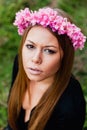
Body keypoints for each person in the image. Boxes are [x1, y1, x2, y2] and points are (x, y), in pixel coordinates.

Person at [7, 7, 86, 130]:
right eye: (30, 46)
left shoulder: (69, 106)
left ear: (65, 56)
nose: (35, 59)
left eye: (49, 51)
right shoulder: (20, 63)